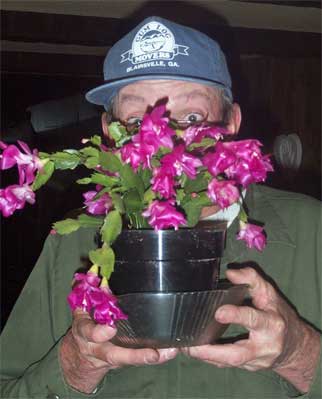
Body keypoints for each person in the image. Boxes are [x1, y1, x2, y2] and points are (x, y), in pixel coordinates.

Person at [1, 16, 321, 399]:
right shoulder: (74, 242)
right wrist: (74, 366)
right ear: (110, 133)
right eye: (136, 121)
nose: (164, 140)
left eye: (191, 118)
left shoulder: (312, 229)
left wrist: (300, 354)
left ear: (232, 123)